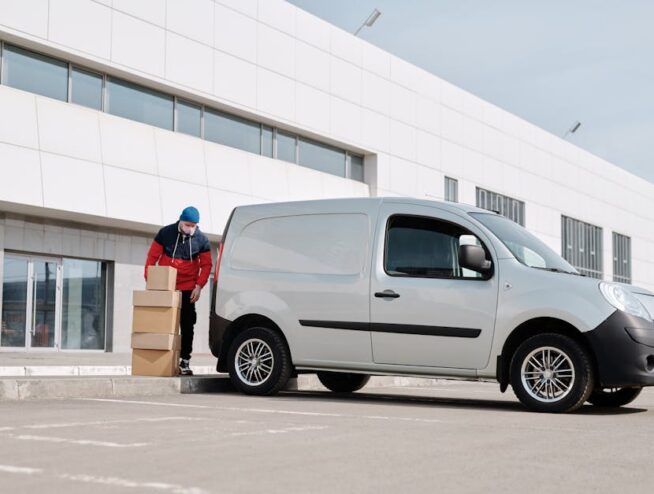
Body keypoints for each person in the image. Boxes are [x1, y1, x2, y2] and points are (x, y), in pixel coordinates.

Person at [144, 206, 212, 375]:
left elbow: (206, 265)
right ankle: (158, 358)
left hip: (188, 287)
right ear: (181, 221)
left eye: (193, 226)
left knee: (188, 325)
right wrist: (150, 280)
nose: (190, 228)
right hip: (166, 285)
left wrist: (199, 286)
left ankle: (185, 361)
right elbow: (152, 257)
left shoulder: (202, 240)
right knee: (162, 322)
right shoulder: (165, 233)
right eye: (187, 225)